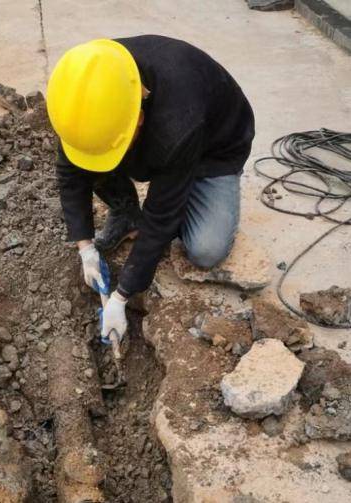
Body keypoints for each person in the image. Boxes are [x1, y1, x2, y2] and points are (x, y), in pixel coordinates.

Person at [46, 35, 255, 342]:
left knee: (206, 249)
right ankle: (127, 215)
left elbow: (160, 217)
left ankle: (191, 190)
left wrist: (121, 296)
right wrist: (85, 248)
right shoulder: (92, 87)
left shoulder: (179, 124)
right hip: (148, 138)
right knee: (95, 157)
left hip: (214, 149)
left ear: (139, 118)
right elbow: (70, 170)